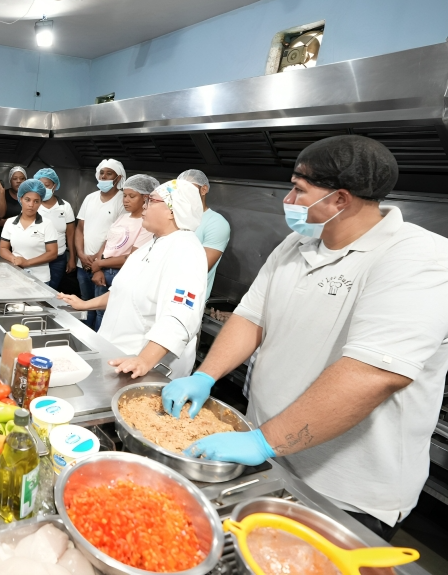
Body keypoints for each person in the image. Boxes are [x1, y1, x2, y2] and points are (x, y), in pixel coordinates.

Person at [162, 136, 448, 541]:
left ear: (340, 199)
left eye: (299, 189)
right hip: (276, 458)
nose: (289, 198)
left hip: (343, 488)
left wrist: (264, 441)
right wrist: (205, 376)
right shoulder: (299, 243)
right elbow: (251, 317)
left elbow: (373, 374)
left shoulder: (419, 260)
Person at [59, 179, 207, 378]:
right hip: (117, 355)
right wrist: (84, 305)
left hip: (146, 366)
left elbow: (180, 315)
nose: (144, 205)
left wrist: (145, 359)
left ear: (172, 211)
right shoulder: (150, 246)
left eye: (151, 201)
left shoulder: (186, 250)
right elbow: (122, 293)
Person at [88, 174, 160, 329]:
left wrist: (100, 263)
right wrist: (98, 267)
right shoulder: (123, 217)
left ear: (146, 197)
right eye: (124, 196)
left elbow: (133, 257)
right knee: (99, 313)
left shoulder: (146, 224)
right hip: (103, 270)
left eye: (131, 196)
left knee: (110, 316)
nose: (126, 200)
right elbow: (107, 243)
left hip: (119, 273)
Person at [74, 159, 126, 325]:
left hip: (104, 267)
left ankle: (96, 343)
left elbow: (118, 236)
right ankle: (84, 339)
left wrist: (99, 260)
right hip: (83, 264)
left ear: (118, 178)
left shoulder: (122, 201)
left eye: (109, 173)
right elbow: (80, 228)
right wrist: (81, 254)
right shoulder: (90, 198)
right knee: (84, 303)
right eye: (102, 173)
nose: (104, 177)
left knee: (101, 310)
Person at [177, 169, 231, 302]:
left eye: (188, 188)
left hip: (186, 298)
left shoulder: (216, 223)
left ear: (203, 189)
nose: (183, 193)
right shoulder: (175, 217)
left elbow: (200, 268)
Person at [0, 179, 59, 284]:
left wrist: (27, 263)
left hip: (40, 279)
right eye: (27, 199)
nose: (31, 204)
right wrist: (14, 260)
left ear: (40, 203)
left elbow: (52, 253)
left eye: (36, 201)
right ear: (20, 199)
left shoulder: (47, 224)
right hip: (15, 275)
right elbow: (3, 248)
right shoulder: (10, 222)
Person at [35, 167, 76, 290]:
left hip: (58, 259)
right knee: (35, 290)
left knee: (51, 290)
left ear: (55, 185)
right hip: (36, 257)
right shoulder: (33, 204)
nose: (44, 188)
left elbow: (71, 234)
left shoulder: (65, 206)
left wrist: (72, 258)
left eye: (47, 185)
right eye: (40, 185)